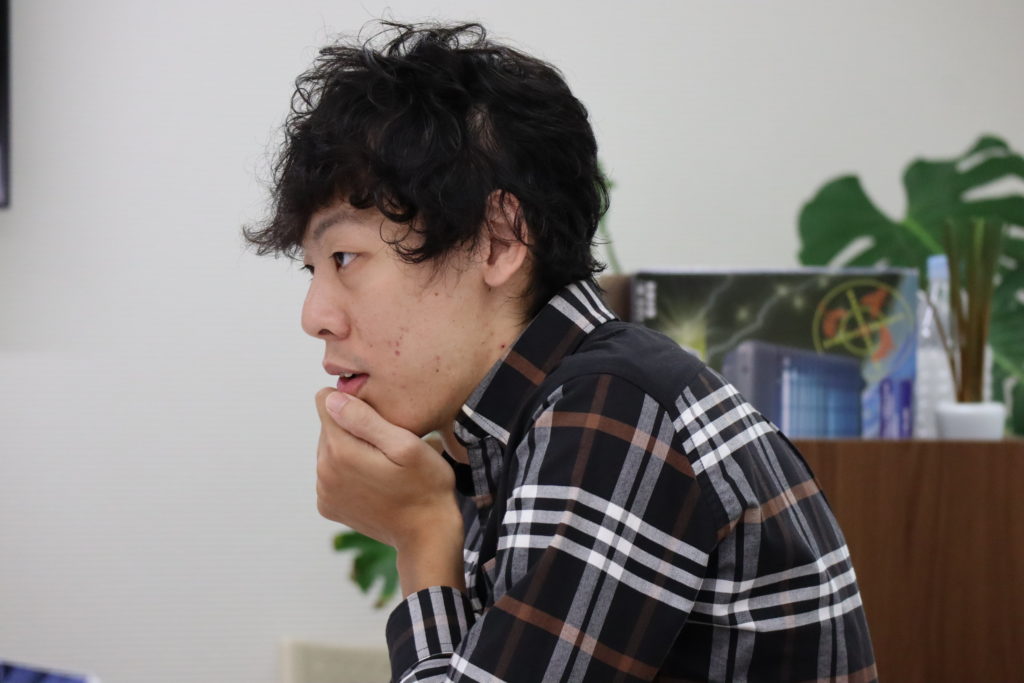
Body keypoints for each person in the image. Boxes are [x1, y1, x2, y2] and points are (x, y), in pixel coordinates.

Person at [246, 21, 876, 682]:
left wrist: (421, 535)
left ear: (498, 241)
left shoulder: (611, 413)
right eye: (312, 268)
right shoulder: (532, 424)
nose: (314, 317)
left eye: (345, 257)